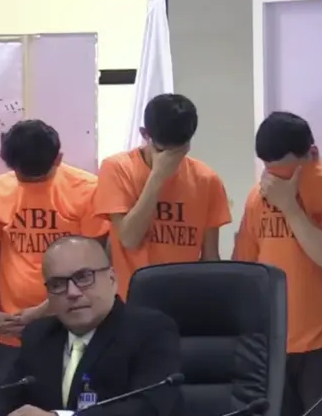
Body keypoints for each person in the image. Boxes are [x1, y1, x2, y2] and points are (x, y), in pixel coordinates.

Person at [0, 236, 180, 416]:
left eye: (83, 277)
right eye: (57, 284)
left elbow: (148, 411)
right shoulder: (40, 333)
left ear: (112, 279)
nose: (72, 292)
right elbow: (11, 393)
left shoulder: (150, 330)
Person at [233, 112, 322, 416]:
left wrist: (289, 207)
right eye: (269, 170)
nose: (274, 181)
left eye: (285, 172)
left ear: (311, 154)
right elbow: (245, 268)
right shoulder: (258, 194)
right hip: (274, 346)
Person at [0, 120, 108, 386]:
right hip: (9, 330)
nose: (29, 183)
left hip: (69, 326)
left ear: (58, 159)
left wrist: (40, 313)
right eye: (21, 176)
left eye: (38, 177)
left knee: (64, 404)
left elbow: (90, 269)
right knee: (3, 405)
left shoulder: (86, 189)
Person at [94, 94, 231, 299]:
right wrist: (157, 177)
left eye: (179, 151)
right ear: (144, 134)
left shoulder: (207, 179)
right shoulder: (117, 168)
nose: (171, 159)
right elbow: (129, 239)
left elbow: (210, 258)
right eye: (162, 151)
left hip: (184, 300)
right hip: (131, 299)